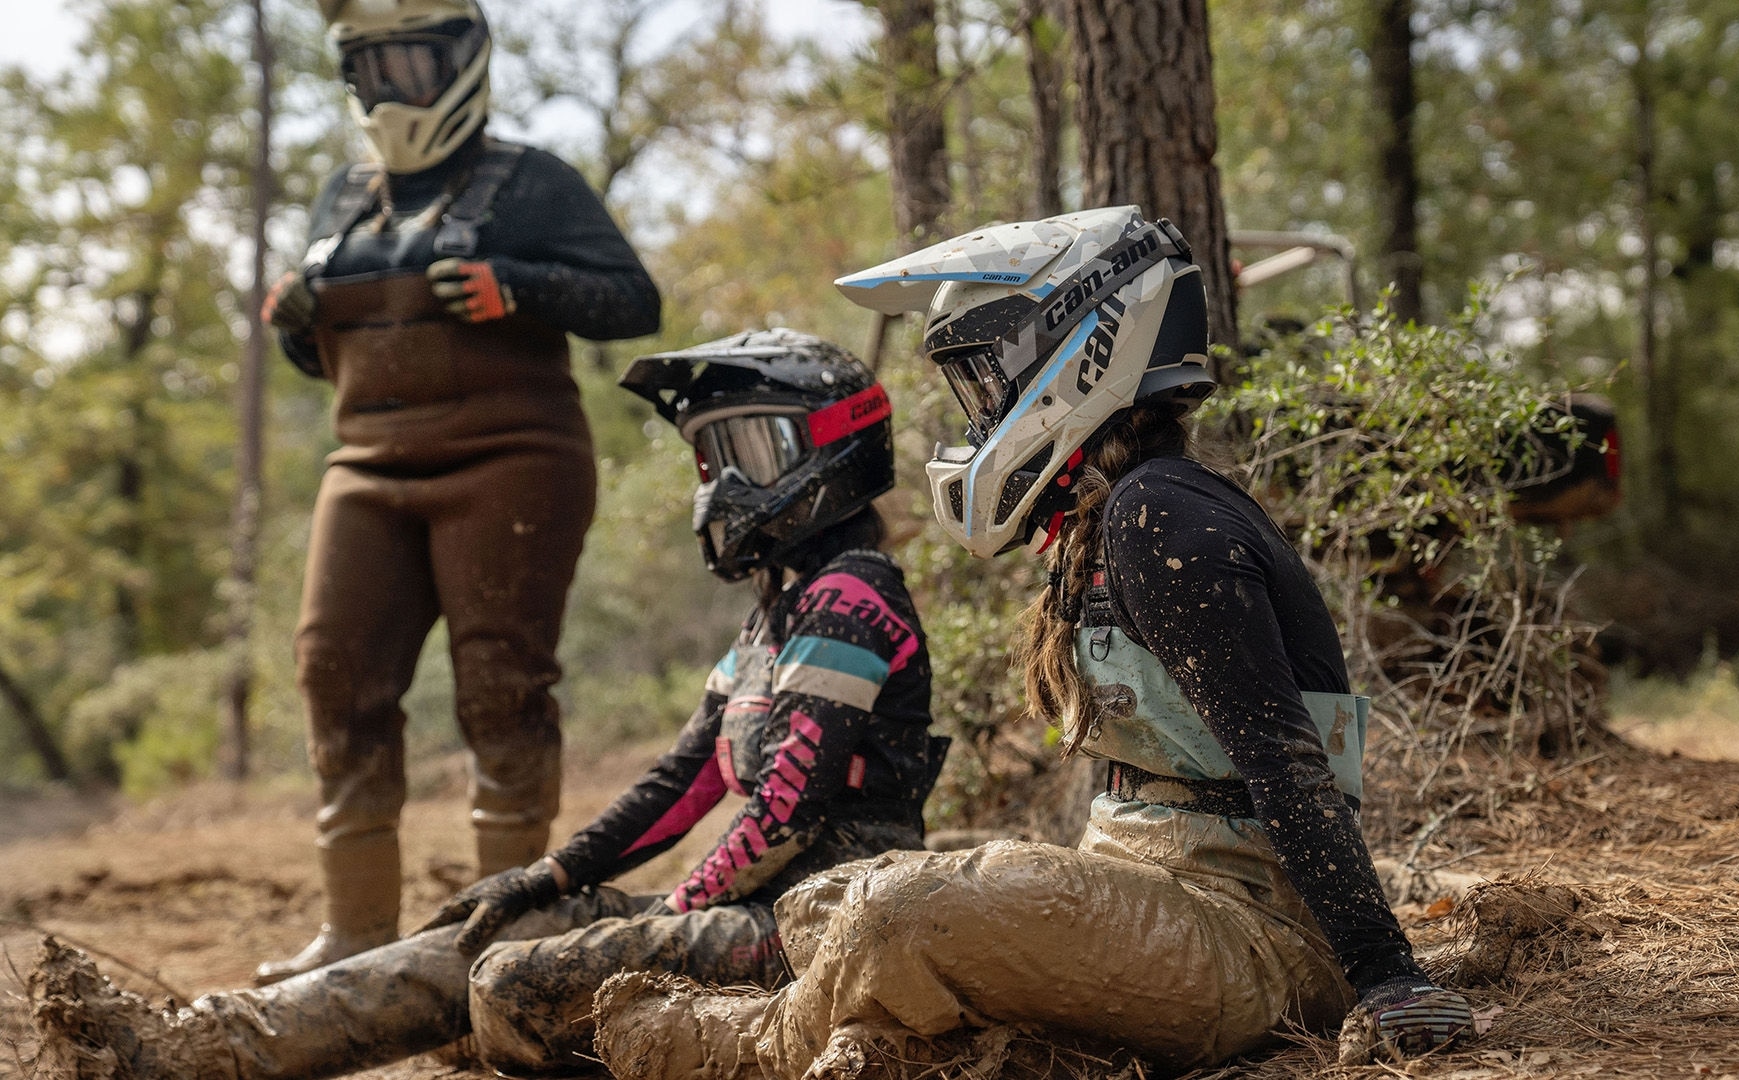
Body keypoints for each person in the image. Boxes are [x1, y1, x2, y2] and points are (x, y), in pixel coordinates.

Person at [592, 208, 1475, 1080]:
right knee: (825, 904)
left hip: (1256, 933)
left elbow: (1284, 758)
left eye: (986, 384)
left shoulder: (1156, 512)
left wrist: (1386, 974)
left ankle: (725, 1048)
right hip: (1173, 897)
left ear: (1079, 350)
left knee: (893, 908)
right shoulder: (1118, 515)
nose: (980, 420)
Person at [29, 330, 944, 1080]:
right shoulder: (775, 615)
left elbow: (787, 813)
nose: (722, 485)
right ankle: (191, 1045)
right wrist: (543, 879)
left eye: (747, 449)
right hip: (743, 912)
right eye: (711, 457)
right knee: (495, 932)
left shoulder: (850, 595)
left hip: (816, 927)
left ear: (832, 445)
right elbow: (679, 786)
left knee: (510, 983)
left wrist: (662, 914)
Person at [251, 0, 662, 984]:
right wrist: (295, 323)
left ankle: (509, 930)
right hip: (365, 469)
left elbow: (634, 301)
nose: (397, 86)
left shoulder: (532, 182)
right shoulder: (340, 198)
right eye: (376, 68)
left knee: (500, 685)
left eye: (414, 63)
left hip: (512, 460)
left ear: (462, 62)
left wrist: (514, 283)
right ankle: (356, 933)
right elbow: (325, 360)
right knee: (333, 675)